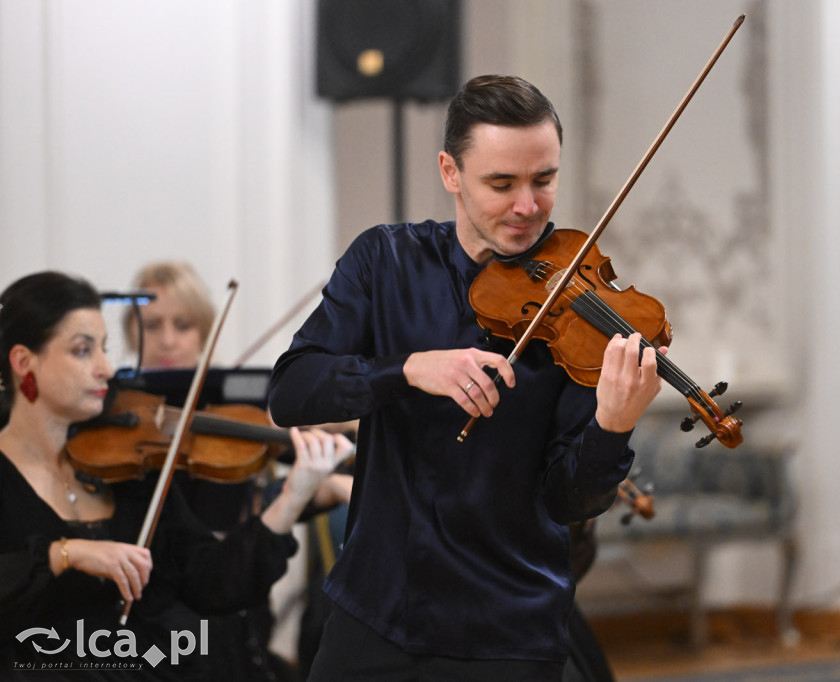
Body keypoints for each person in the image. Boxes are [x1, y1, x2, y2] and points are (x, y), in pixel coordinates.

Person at [268, 74, 663, 680]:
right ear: (451, 172)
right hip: (375, 612)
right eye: (501, 184)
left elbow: (569, 499)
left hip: (508, 629)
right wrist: (407, 369)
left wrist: (613, 426)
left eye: (544, 180)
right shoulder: (384, 261)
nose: (527, 206)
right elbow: (292, 391)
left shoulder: (577, 304)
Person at [0, 271, 351, 680]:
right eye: (82, 351)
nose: (106, 368)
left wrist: (294, 496)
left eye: (104, 349)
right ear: (24, 362)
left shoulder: (129, 472)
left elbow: (212, 583)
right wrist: (64, 554)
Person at [121, 260, 354, 681]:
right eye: (152, 325)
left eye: (183, 324)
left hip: (233, 598)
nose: (168, 339)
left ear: (205, 332)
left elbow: (256, 503)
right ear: (130, 332)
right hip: (157, 613)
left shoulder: (234, 410)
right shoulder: (118, 418)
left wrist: (347, 430)